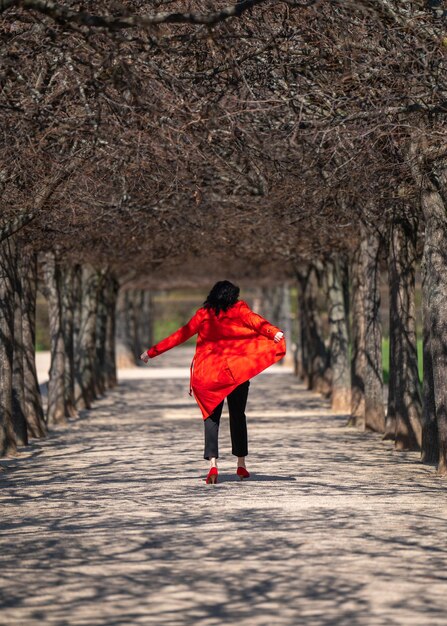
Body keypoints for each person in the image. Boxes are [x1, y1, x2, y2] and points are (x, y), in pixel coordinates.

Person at [140, 281, 286, 484]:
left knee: (211, 418)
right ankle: (241, 464)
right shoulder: (239, 309)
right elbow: (256, 321)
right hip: (236, 373)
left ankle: (213, 465)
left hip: (209, 374)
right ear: (231, 297)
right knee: (238, 415)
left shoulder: (203, 314)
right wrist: (273, 332)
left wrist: (151, 352)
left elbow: (180, 336)